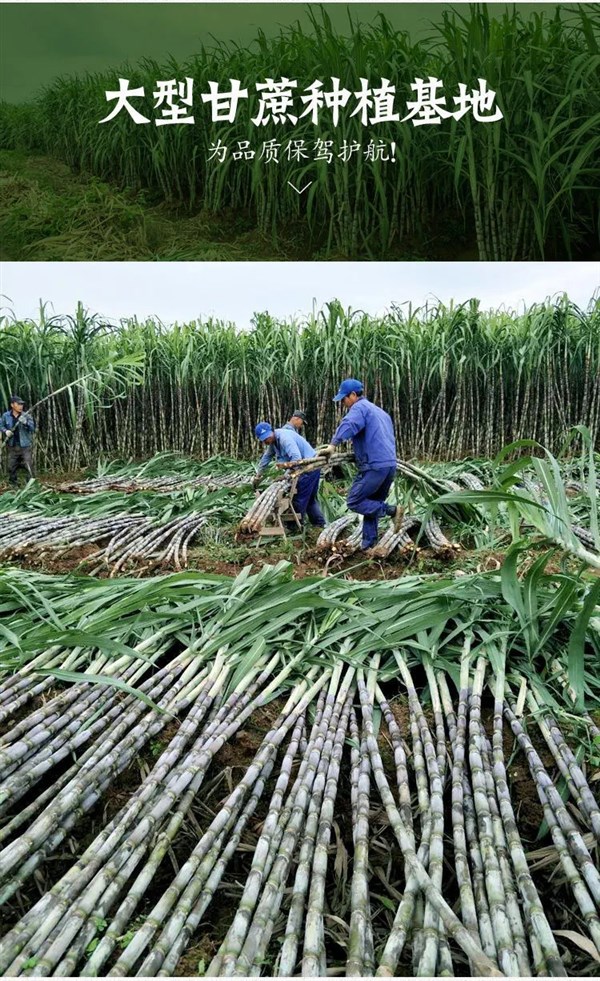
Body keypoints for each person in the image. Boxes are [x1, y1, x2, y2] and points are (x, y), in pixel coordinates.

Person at [319, 379, 400, 551]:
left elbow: (350, 424)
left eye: (344, 399)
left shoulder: (359, 408)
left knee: (354, 501)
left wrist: (333, 444)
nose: (343, 403)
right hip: (390, 465)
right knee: (372, 504)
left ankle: (392, 511)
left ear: (353, 395)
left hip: (373, 465)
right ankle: (368, 545)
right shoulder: (381, 412)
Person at [253, 422, 325, 528]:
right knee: (309, 498)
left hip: (308, 468)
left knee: (298, 497)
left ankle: (294, 527)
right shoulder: (274, 442)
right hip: (309, 467)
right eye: (264, 439)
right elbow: (266, 458)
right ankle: (319, 524)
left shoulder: (284, 438)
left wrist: (286, 475)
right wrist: (258, 475)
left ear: (272, 431)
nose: (266, 440)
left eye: (267, 437)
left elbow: (296, 458)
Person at [1, 396, 36, 487]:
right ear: (12, 405)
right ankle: (13, 484)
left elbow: (32, 428)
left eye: (22, 404)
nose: (21, 406)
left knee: (28, 465)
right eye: (18, 404)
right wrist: (6, 431)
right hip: (12, 445)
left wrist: (26, 423)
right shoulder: (6, 416)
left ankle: (30, 484)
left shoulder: (26, 415)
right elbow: (1, 425)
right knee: (11, 466)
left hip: (25, 445)